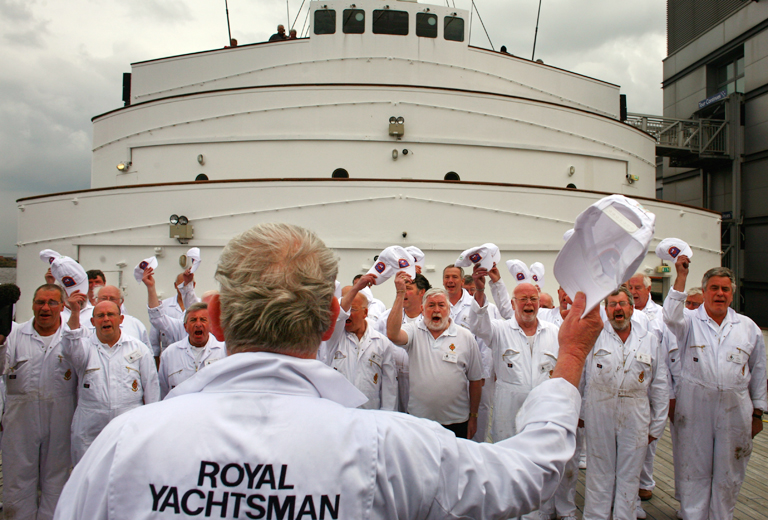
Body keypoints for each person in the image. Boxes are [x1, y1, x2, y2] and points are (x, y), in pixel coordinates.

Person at [55, 222, 606, 520]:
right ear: (327, 323)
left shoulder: (123, 446)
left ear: (217, 318)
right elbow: (528, 475)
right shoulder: (390, 445)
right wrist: (571, 360)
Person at [470, 267, 577, 520]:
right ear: (513, 304)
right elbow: (477, 324)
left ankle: (538, 513)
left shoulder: (553, 332)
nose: (529, 304)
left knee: (540, 462)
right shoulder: (499, 330)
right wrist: (480, 289)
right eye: (523, 300)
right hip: (508, 408)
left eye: (533, 299)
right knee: (508, 463)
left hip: (542, 408)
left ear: (540, 303)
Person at [664, 257, 766, 520]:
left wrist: (759, 413)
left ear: (732, 294)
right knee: (693, 470)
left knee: (729, 471)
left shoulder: (748, 328)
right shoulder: (688, 323)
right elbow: (670, 315)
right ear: (705, 290)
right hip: (695, 408)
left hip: (736, 411)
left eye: (725, 289)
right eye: (714, 288)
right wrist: (681, 276)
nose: (720, 293)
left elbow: (759, 372)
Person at [581, 288, 668, 520]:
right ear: (606, 310)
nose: (617, 309)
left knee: (630, 475)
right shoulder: (594, 336)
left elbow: (660, 385)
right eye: (612, 305)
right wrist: (579, 412)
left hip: (636, 413)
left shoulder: (649, 340)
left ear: (631, 307)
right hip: (599, 409)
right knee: (599, 472)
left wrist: (656, 425)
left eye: (622, 304)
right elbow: (581, 378)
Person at [0, 284, 77, 519]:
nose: (45, 307)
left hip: (61, 417)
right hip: (20, 419)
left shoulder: (72, 337)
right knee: (17, 479)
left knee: (57, 480)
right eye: (40, 302)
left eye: (52, 302)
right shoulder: (14, 334)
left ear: (62, 306)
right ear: (32, 305)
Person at [61, 293, 160, 464]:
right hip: (90, 425)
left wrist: (151, 426)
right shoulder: (84, 348)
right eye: (100, 316)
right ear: (93, 322)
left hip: (129, 422)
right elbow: (70, 350)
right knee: (88, 476)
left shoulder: (138, 349)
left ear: (121, 319)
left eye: (110, 315)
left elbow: (152, 390)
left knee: (126, 474)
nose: (106, 319)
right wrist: (75, 313)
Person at [387, 281, 483, 439]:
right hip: (419, 420)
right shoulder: (413, 331)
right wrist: (400, 294)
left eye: (441, 305)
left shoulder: (465, 336)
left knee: (454, 463)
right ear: (422, 310)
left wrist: (473, 416)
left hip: (456, 421)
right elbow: (392, 334)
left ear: (449, 310)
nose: (436, 310)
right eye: (431, 305)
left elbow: (475, 380)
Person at [323, 275, 397, 410]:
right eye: (347, 310)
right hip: (339, 412)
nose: (348, 314)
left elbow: (389, 386)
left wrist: (387, 416)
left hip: (371, 414)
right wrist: (357, 287)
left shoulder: (381, 343)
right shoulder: (334, 338)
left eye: (354, 309)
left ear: (365, 312)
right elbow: (339, 316)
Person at [375, 273, 430, 412]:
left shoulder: (431, 319)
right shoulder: (386, 317)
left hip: (419, 380)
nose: (404, 293)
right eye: (401, 289)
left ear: (422, 292)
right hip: (392, 378)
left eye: (408, 288)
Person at [157, 302, 226, 398]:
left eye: (203, 319)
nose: (198, 324)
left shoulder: (224, 351)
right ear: (185, 327)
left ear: (210, 325)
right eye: (193, 320)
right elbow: (162, 392)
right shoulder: (170, 354)